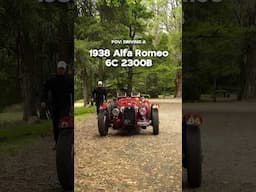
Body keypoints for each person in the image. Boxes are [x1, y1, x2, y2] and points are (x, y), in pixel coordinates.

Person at [41, 61, 74, 147]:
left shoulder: (69, 80)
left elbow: (72, 93)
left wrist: (72, 105)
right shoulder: (52, 80)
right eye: (60, 69)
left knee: (64, 124)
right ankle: (57, 142)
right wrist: (43, 101)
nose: (61, 70)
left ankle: (66, 143)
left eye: (62, 69)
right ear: (57, 69)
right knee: (56, 125)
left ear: (65, 70)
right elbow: (45, 90)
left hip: (65, 106)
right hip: (55, 106)